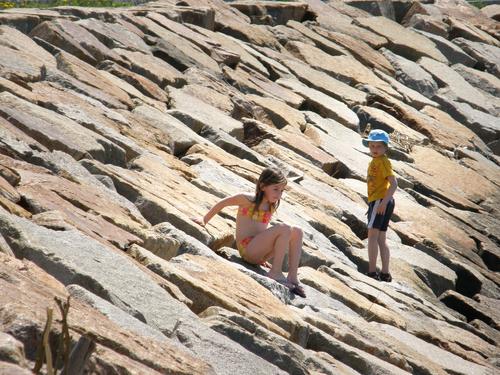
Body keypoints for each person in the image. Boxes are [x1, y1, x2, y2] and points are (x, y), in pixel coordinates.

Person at [193, 167, 306, 297]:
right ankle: (275, 272)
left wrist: (262, 252)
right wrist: (204, 219)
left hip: (258, 252)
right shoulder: (247, 199)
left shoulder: (271, 205)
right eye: (275, 189)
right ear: (263, 186)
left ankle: (292, 276)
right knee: (284, 227)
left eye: (281, 191)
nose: (279, 194)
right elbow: (223, 203)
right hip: (247, 248)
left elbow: (262, 230)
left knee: (297, 231)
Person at [362, 129, 398, 282]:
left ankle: (371, 271)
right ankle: (385, 273)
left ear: (385, 148)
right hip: (380, 201)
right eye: (372, 146)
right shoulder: (376, 161)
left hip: (380, 201)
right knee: (381, 238)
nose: (375, 150)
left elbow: (394, 184)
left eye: (378, 147)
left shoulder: (383, 162)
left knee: (372, 237)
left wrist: (382, 203)